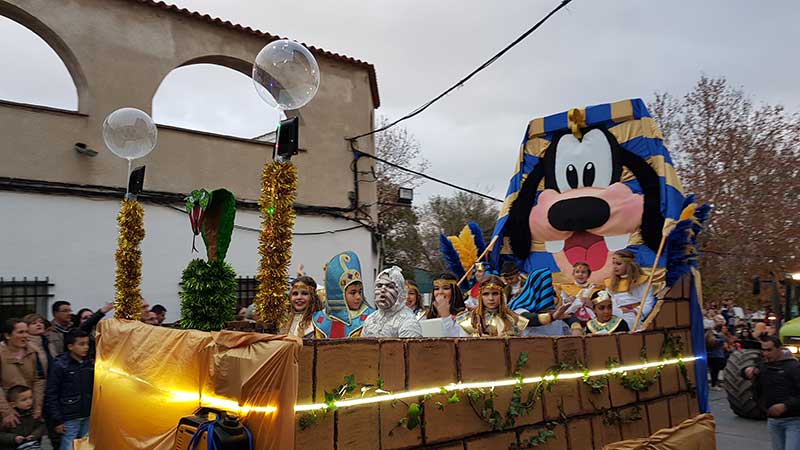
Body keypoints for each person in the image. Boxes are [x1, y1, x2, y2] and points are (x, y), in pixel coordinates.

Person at [742, 336, 800, 450]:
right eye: (763, 350)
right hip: (773, 421)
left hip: (794, 422)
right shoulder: (763, 366)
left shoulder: (794, 367)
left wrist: (785, 406)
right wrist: (746, 371)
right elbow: (746, 373)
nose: (765, 354)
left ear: (779, 349)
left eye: (769, 350)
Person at [44, 330, 94, 450]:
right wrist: (57, 420)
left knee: (85, 445)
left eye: (87, 344)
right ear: (70, 346)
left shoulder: (89, 363)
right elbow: (52, 393)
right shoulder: (60, 365)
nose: (86, 347)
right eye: (81, 344)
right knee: (68, 445)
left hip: (87, 413)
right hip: (69, 416)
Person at [312, 251, 374, 338]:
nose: (358, 297)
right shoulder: (320, 319)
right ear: (339, 294)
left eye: (360, 292)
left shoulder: (371, 318)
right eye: (353, 293)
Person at [441, 275, 528, 337]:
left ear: (502, 295)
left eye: (495, 294)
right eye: (486, 294)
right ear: (480, 296)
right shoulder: (468, 321)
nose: (491, 298)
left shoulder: (515, 320)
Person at [0, 320, 44, 431]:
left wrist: (37, 405)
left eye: (27, 332)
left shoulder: (33, 351)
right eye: (20, 332)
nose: (25, 336)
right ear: (7, 335)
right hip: (7, 411)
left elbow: (39, 380)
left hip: (29, 410)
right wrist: (6, 411)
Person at [362, 267, 422, 338]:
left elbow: (410, 348)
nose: (382, 290)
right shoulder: (370, 319)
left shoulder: (408, 321)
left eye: (390, 286)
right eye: (379, 286)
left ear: (400, 291)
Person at [604, 249, 656, 330]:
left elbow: (648, 302)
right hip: (616, 316)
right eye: (613, 264)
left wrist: (635, 311)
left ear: (629, 265)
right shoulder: (610, 284)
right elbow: (611, 302)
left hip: (634, 316)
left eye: (618, 264)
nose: (614, 267)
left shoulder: (642, 282)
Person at [555, 262, 601, 332]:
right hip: (571, 316)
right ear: (573, 274)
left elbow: (600, 305)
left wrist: (591, 304)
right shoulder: (566, 287)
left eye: (583, 272)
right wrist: (567, 300)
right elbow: (561, 302)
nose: (580, 274)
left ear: (588, 275)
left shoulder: (594, 289)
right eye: (577, 272)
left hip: (590, 317)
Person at [0, 385, 45, 450]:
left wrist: (34, 435)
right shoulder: (7, 418)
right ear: (13, 404)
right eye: (24, 400)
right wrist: (14, 438)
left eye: (30, 397)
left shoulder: (34, 413)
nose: (29, 401)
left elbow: (41, 426)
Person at [705, 317, 726, 391]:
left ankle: (715, 383)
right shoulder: (712, 334)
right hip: (714, 355)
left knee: (715, 370)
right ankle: (714, 384)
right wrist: (721, 337)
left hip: (716, 355)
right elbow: (715, 342)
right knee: (714, 370)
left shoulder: (712, 334)